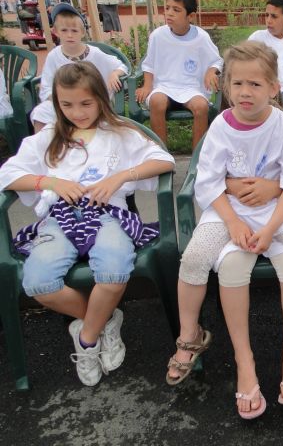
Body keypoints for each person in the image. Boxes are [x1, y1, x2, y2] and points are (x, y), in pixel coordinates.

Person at [166, 40, 283, 419]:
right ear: (226, 86)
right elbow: (208, 182)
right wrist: (233, 221)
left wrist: (270, 218)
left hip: (280, 210)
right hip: (229, 211)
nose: (245, 92)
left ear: (273, 88)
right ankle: (192, 336)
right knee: (195, 257)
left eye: (255, 84)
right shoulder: (220, 127)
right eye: (237, 83)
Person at [0, 61, 175, 386]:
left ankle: (87, 339)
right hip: (59, 218)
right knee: (38, 282)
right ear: (57, 104)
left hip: (109, 215)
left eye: (85, 103)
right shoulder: (48, 137)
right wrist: (49, 182)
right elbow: (8, 174)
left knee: (113, 270)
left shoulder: (119, 133)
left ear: (100, 99)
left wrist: (121, 176)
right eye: (67, 105)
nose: (77, 112)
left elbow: (163, 160)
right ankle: (104, 320)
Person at [135, 0, 223, 150]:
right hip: (164, 86)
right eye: (167, 8)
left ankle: (197, 156)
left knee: (201, 106)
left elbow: (216, 60)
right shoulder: (158, 36)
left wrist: (211, 71)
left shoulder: (201, 37)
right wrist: (147, 85)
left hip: (191, 88)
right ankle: (161, 153)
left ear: (190, 16)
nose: (169, 13)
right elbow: (149, 64)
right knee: (156, 101)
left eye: (176, 10)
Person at [31, 3, 128, 132]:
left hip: (90, 103)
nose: (69, 35)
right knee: (40, 112)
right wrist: (61, 102)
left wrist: (115, 73)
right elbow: (46, 87)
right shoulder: (53, 56)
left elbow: (120, 65)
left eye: (74, 31)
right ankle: (45, 142)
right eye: (64, 30)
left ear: (82, 32)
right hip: (63, 104)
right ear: (56, 32)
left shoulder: (95, 54)